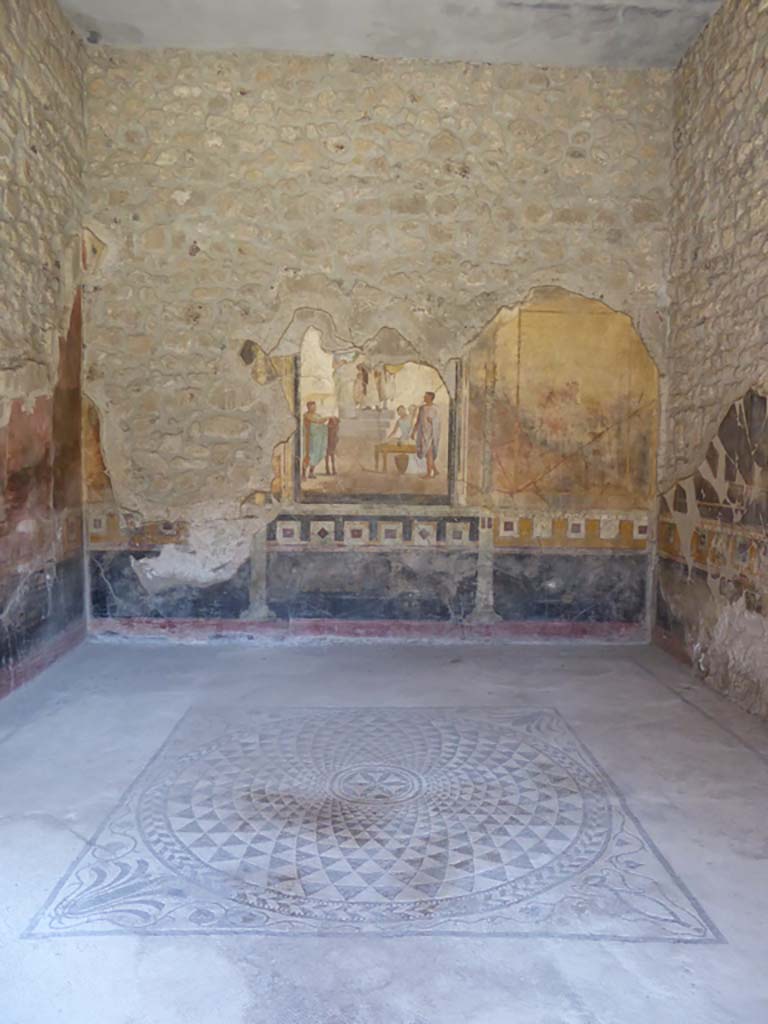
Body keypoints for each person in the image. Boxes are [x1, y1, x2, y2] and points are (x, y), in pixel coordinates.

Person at [411, 391, 441, 479]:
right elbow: (418, 421)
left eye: (426, 396)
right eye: (424, 396)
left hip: (431, 434)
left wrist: (432, 421)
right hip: (422, 434)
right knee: (427, 453)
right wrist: (413, 432)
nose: (424, 397)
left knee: (429, 453)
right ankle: (435, 470)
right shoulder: (422, 408)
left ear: (430, 398)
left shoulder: (435, 409)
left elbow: (438, 421)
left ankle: (429, 474)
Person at [302, 401, 328, 479]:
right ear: (308, 407)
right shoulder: (307, 415)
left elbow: (321, 421)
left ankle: (311, 473)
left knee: (316, 455)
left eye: (315, 406)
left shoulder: (317, 415)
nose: (314, 408)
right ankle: (303, 474)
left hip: (318, 440)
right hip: (310, 439)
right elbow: (317, 421)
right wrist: (326, 418)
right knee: (309, 456)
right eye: (312, 407)